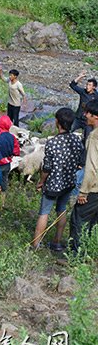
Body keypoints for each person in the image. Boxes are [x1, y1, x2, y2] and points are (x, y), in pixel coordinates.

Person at [31, 108, 84, 250]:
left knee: (44, 212)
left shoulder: (52, 143)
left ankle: (36, 244)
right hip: (68, 183)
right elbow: (80, 161)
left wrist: (41, 181)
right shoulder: (76, 140)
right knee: (61, 210)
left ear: (57, 122)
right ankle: (57, 242)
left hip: (53, 185)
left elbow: (46, 168)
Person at [70, 100, 98, 254]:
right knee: (95, 222)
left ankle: (76, 255)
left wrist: (83, 191)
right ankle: (90, 251)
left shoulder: (94, 136)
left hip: (94, 187)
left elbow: (92, 166)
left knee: (78, 219)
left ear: (96, 117)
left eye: (88, 113)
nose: (85, 115)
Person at [0, 115, 21, 191]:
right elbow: (16, 151)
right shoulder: (12, 137)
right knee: (4, 180)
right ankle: (3, 199)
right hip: (7, 164)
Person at [69, 72, 98, 143]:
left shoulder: (96, 96)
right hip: (78, 118)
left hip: (88, 120)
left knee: (87, 138)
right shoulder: (83, 92)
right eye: (87, 84)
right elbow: (72, 85)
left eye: (89, 85)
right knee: (68, 130)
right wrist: (80, 76)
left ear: (94, 87)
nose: (87, 86)